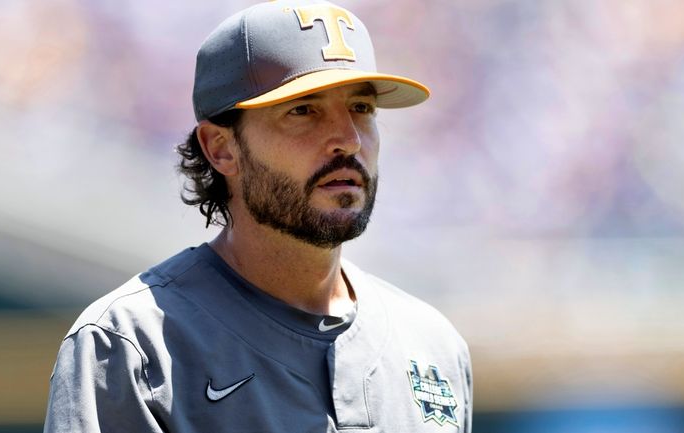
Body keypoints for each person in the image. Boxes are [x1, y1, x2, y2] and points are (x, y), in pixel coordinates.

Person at [44, 0, 472, 432]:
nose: (347, 139)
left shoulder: (433, 346)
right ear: (221, 149)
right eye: (303, 110)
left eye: (361, 108)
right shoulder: (130, 345)